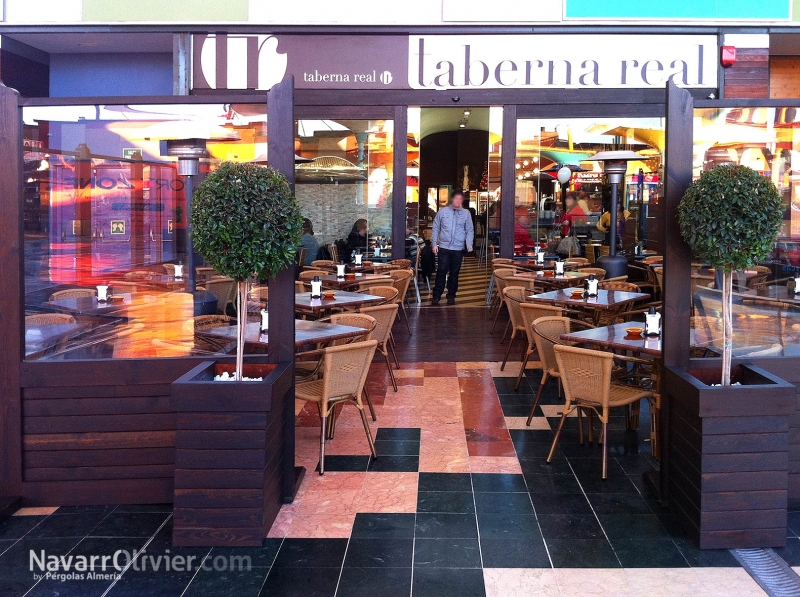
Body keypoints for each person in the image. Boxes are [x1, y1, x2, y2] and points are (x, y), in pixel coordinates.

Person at [431, 190, 474, 306]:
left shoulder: (466, 214)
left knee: (454, 273)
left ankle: (451, 296)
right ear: (452, 199)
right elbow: (436, 228)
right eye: (456, 198)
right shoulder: (443, 212)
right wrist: (434, 244)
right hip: (444, 247)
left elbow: (469, 230)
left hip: (458, 249)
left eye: (460, 199)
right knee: (441, 271)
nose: (458, 201)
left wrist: (469, 245)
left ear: (462, 201)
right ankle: (436, 296)